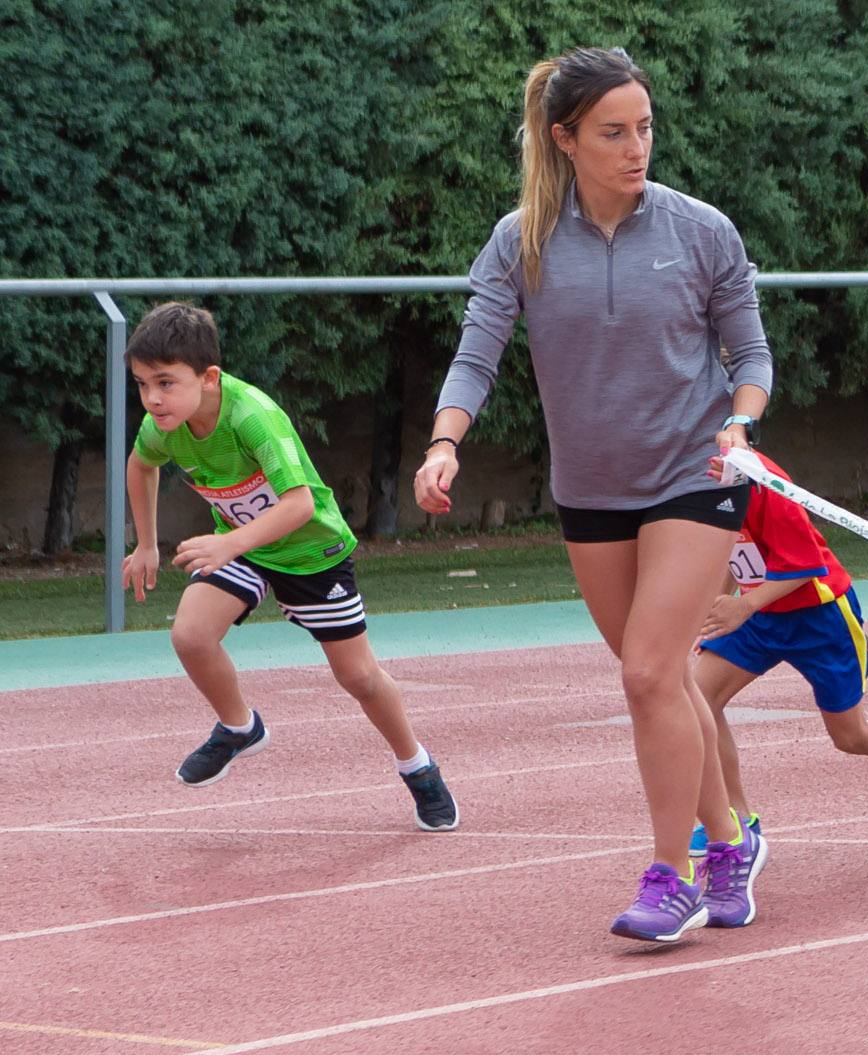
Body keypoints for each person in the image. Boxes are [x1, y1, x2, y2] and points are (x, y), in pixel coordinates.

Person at [421, 47, 771, 943]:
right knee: (659, 684)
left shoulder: (701, 231)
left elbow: (751, 355)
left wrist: (739, 424)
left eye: (645, 128)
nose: (636, 147)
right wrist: (444, 443)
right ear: (564, 138)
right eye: (613, 132)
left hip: (695, 477)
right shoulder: (520, 241)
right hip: (591, 490)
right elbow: (476, 354)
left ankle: (673, 874)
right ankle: (731, 844)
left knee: (650, 670)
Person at [120, 302, 456, 830]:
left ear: (209, 378)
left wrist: (229, 545)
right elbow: (140, 466)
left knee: (359, 677)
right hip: (245, 545)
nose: (152, 398)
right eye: (142, 384)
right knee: (190, 635)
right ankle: (239, 727)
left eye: (164, 382)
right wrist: (145, 544)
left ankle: (418, 766)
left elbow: (298, 504)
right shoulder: (165, 424)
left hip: (308, 552)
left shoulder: (252, 416)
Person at [689, 448, 868, 883]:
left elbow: (804, 564)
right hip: (758, 615)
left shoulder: (759, 477)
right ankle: (735, 820)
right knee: (696, 697)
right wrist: (717, 605)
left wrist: (741, 607)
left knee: (851, 735)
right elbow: (731, 550)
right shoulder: (681, 480)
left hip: (819, 615)